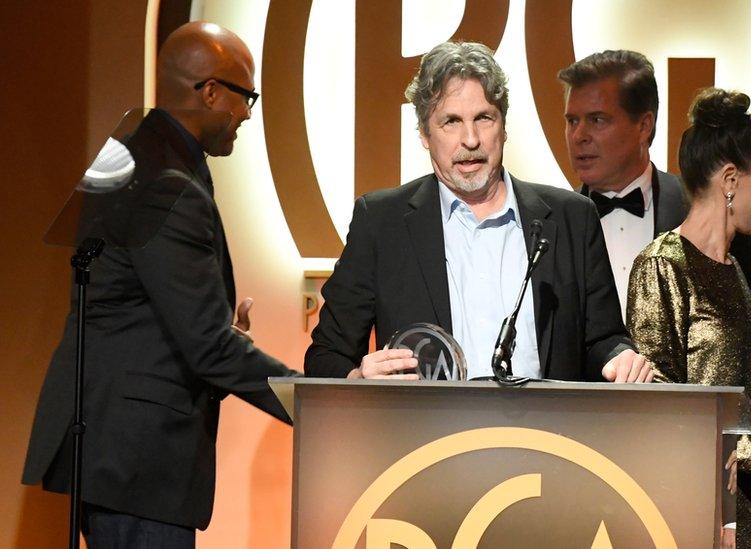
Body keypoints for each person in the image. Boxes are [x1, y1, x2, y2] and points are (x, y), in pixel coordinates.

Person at [22, 22, 297, 548]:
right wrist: (314, 405)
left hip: (115, 456)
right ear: (211, 91)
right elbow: (206, 346)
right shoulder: (169, 186)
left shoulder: (130, 156)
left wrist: (218, 336)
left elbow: (135, 308)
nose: (245, 115)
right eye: (246, 98)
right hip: (138, 464)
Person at [304, 41, 649, 383]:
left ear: (504, 125)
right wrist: (359, 380)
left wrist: (620, 357)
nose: (470, 139)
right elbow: (325, 356)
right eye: (451, 122)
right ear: (424, 133)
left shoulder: (572, 217)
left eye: (483, 118)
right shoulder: (381, 222)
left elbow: (603, 339)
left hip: (548, 437)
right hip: (425, 436)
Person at [559, 50, 751, 529]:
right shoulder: (549, 224)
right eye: (572, 120)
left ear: (645, 126)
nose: (579, 135)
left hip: (708, 492)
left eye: (598, 119)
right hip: (576, 479)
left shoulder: (720, 222)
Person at [627, 88, 751, 548]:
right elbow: (661, 407)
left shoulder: (737, 267)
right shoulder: (664, 263)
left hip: (746, 512)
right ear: (732, 179)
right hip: (689, 513)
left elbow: (750, 385)